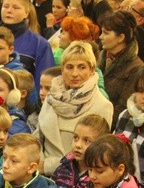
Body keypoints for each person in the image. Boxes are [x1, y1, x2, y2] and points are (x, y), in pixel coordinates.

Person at [36, 40, 113, 175]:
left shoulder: (102, 106)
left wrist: (48, 166)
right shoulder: (52, 98)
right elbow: (38, 135)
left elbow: (96, 153)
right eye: (69, 67)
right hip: (41, 174)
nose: (75, 73)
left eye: (82, 67)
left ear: (92, 70)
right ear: (62, 69)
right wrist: (37, 163)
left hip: (76, 180)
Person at [98, 10, 144, 127]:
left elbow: (123, 108)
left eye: (106, 33)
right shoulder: (100, 56)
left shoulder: (136, 68)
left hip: (108, 125)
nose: (100, 37)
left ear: (121, 37)